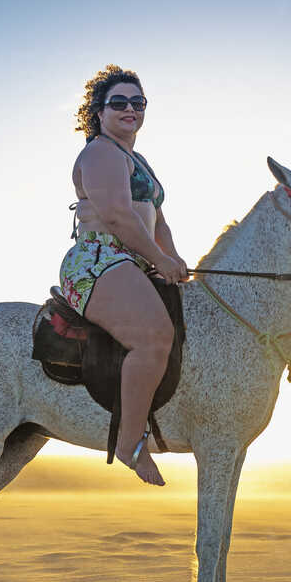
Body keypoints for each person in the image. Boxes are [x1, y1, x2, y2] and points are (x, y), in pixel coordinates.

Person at [59, 65, 190, 486]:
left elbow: (160, 223)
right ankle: (131, 443)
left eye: (138, 102)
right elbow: (118, 216)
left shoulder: (140, 161)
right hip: (100, 259)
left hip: (136, 259)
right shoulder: (100, 152)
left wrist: (173, 260)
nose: (130, 109)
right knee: (154, 337)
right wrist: (157, 257)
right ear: (98, 111)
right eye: (119, 102)